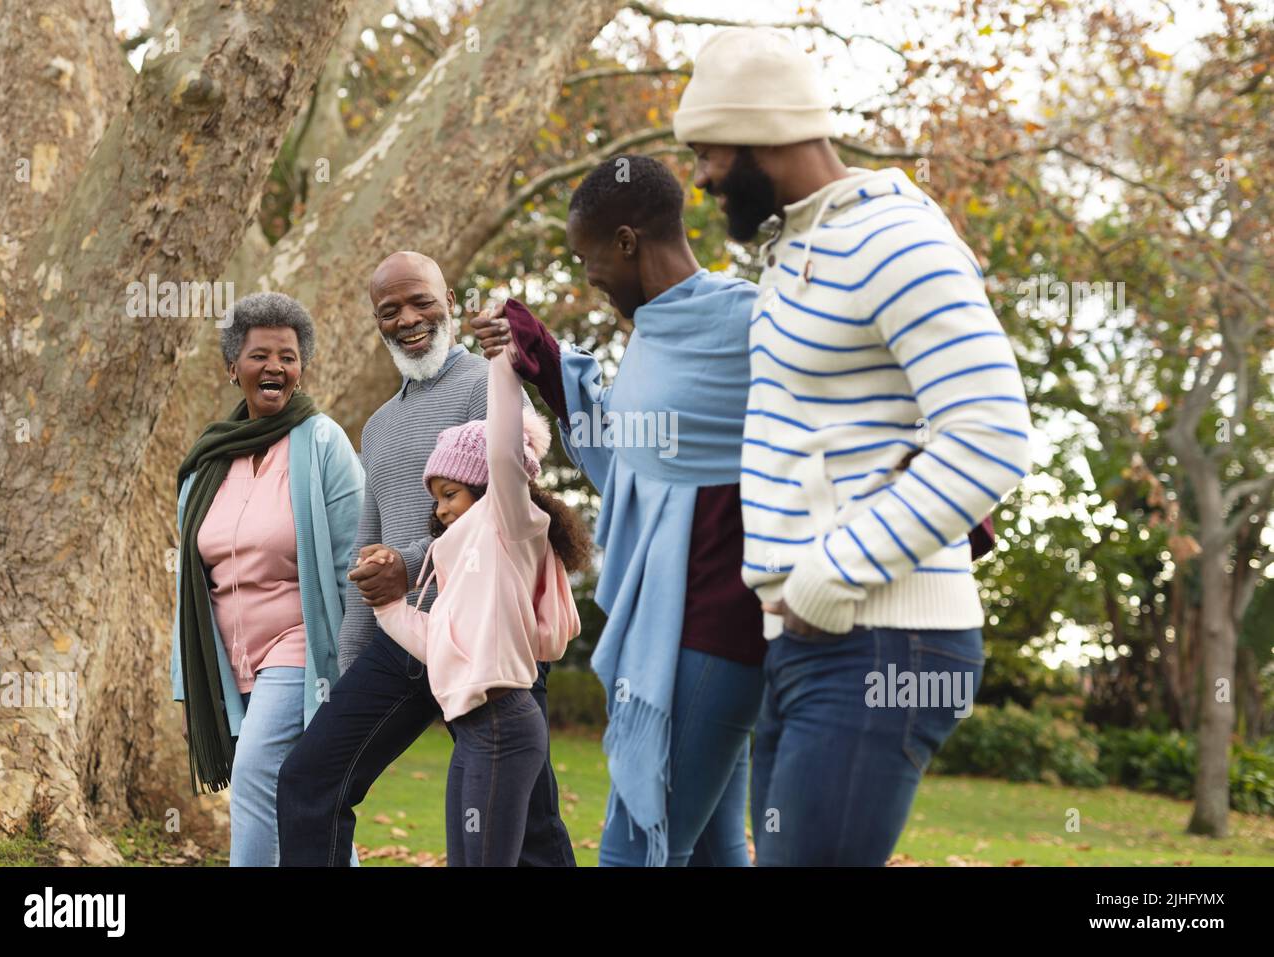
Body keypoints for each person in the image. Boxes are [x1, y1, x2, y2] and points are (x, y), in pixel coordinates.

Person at [674, 27, 1034, 865]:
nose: (698, 177)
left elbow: (991, 431)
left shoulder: (895, 239)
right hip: (811, 637)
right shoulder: (797, 250)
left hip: (885, 638)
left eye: (708, 152)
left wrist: (832, 574)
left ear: (762, 133)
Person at [471, 155, 766, 866]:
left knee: (633, 845)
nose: (589, 276)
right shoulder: (653, 338)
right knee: (712, 849)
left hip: (717, 622)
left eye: (588, 257)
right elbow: (624, 460)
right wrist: (533, 349)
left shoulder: (748, 318)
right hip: (672, 624)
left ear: (628, 241)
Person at [275, 251, 575, 867]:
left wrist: (406, 564)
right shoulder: (380, 426)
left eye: (421, 302)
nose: (408, 318)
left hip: (491, 636)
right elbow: (371, 545)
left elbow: (494, 514)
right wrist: (353, 666)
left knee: (534, 830)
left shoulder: (484, 388)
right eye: (390, 310)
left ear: (448, 301)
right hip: (406, 641)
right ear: (377, 322)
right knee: (310, 780)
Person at [362, 335, 590, 865]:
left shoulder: (508, 525)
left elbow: (505, 455)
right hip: (472, 731)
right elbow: (436, 642)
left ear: (486, 488)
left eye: (450, 494)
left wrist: (503, 364)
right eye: (435, 497)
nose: (440, 510)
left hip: (504, 724)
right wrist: (386, 605)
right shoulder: (459, 565)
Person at [170, 291, 364, 866]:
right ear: (233, 367)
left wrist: (351, 664)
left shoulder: (321, 441)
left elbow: (350, 559)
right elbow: (189, 588)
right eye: (259, 355)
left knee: (254, 773)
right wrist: (188, 685)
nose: (275, 366)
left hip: (300, 646)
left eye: (288, 355)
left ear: (301, 368)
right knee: (306, 796)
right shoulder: (207, 463)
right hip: (229, 659)